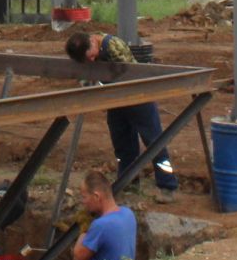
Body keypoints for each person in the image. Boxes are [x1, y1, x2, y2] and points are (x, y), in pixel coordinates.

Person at [65, 30, 178, 196]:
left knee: (155, 142)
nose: (91, 61)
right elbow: (85, 78)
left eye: (91, 56)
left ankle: (167, 186)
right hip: (116, 101)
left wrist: (101, 88)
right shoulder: (85, 54)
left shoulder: (113, 45)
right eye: (86, 60)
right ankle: (128, 183)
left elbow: (127, 74)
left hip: (138, 97)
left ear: (93, 41)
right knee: (123, 145)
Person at [70, 171, 137, 260]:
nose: (83, 202)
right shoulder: (128, 214)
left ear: (96, 196)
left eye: (84, 197)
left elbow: (78, 257)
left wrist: (84, 230)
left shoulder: (101, 225)